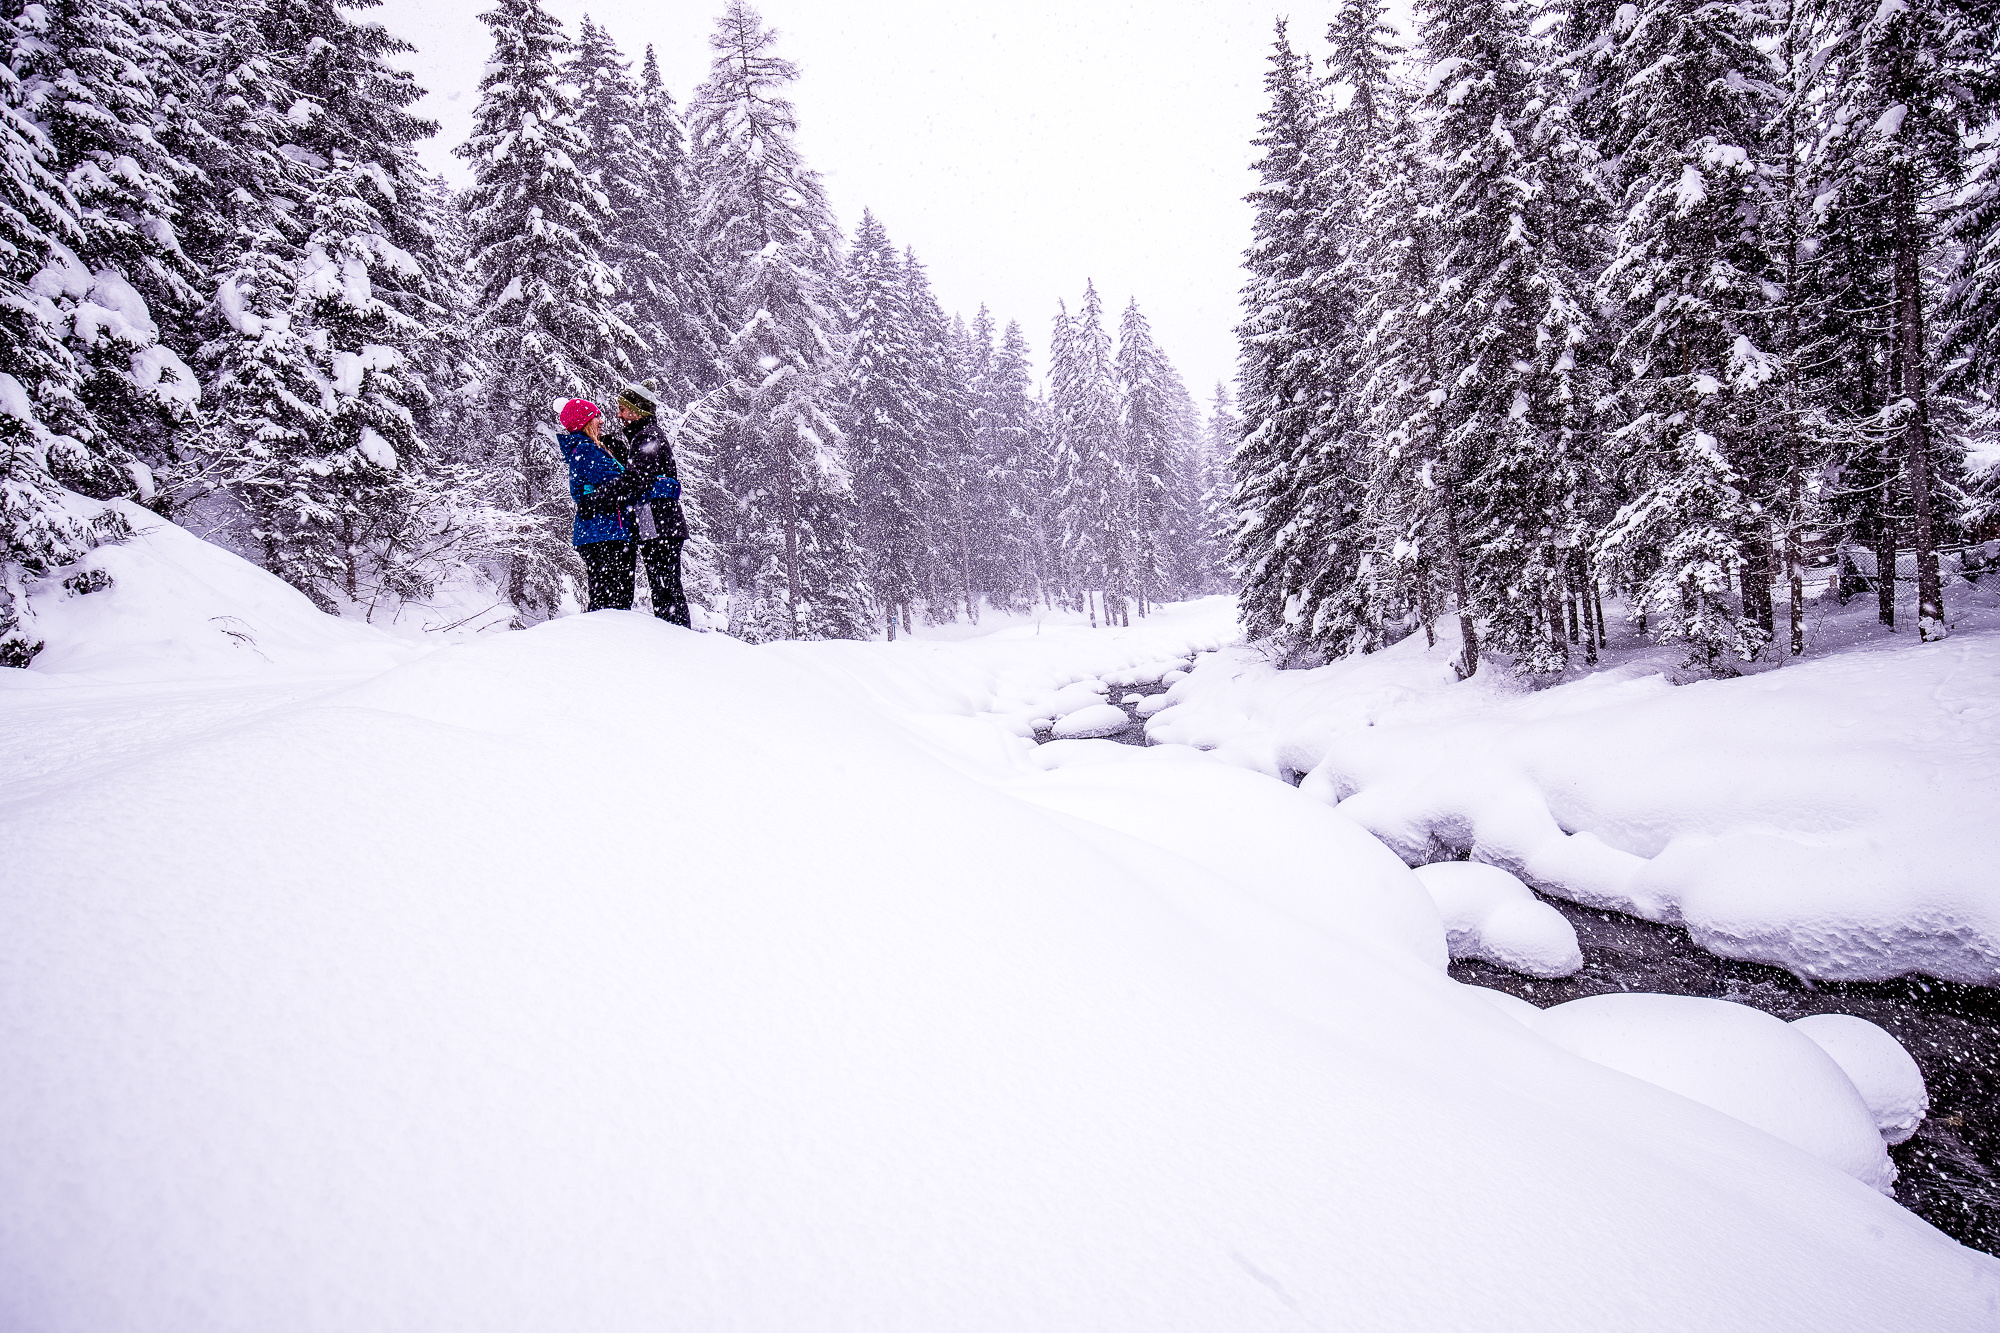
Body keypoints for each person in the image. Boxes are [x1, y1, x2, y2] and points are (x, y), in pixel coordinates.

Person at [585, 381, 692, 627]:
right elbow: (641, 473)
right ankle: (676, 635)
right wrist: (620, 451)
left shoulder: (648, 436)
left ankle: (678, 639)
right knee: (664, 586)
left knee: (665, 587)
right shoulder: (644, 437)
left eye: (623, 409)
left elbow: (636, 480)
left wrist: (597, 499)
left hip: (659, 524)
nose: (619, 414)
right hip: (658, 524)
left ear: (637, 410)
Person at [555, 398, 638, 612]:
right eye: (595, 417)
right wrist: (635, 473)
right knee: (612, 600)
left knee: (609, 596)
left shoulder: (592, 448)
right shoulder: (587, 450)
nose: (601, 421)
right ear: (584, 422)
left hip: (605, 532)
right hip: (605, 533)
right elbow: (618, 485)